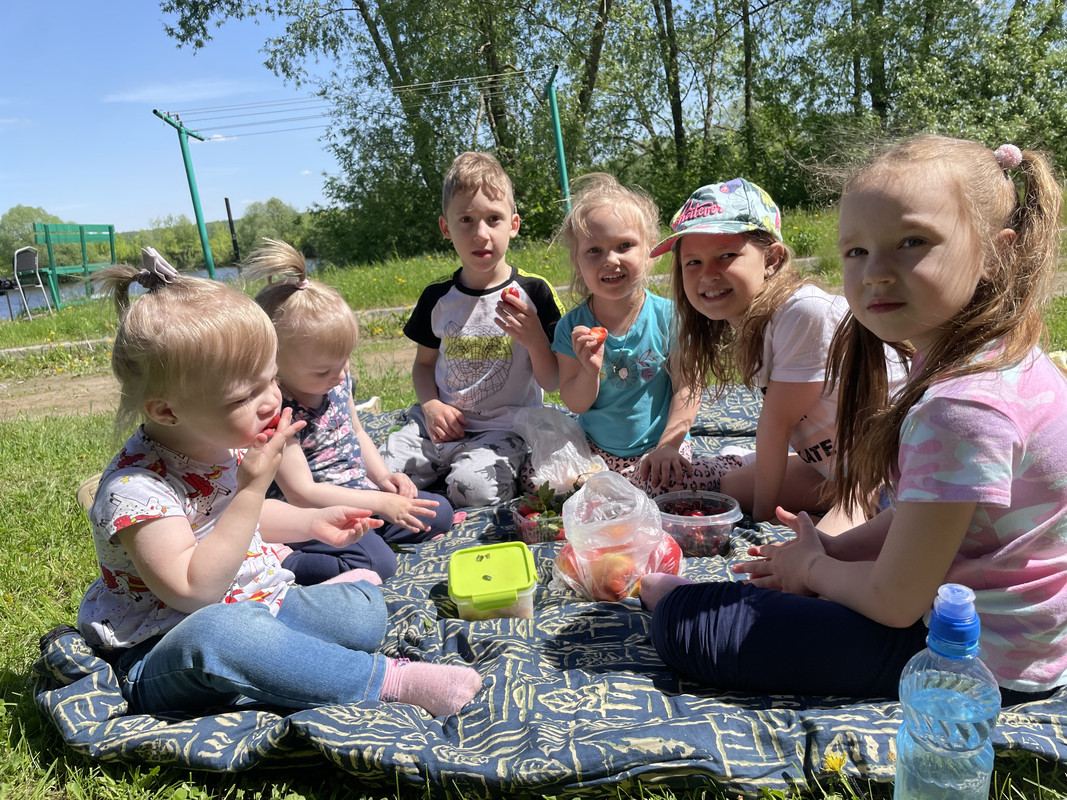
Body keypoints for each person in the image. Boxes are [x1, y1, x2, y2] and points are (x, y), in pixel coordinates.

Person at [642, 136, 1067, 705]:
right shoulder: (999, 358)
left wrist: (814, 571)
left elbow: (895, 601)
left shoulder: (960, 409)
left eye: (912, 242)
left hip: (973, 658)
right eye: (856, 251)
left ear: (996, 253)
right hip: (1016, 634)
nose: (876, 273)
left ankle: (684, 606)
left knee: (694, 626)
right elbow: (928, 517)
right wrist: (833, 552)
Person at [76, 250, 482, 718]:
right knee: (227, 634)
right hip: (169, 647)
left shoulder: (218, 443)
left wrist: (313, 522)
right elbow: (192, 590)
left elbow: (241, 519)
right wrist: (252, 487)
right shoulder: (136, 490)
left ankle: (298, 647)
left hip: (256, 601)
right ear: (167, 411)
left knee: (362, 617)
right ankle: (387, 681)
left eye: (271, 380)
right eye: (245, 395)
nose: (271, 401)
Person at [658, 177, 889, 531]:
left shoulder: (802, 312)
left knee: (822, 554)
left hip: (881, 472)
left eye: (726, 256)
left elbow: (776, 425)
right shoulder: (754, 324)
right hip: (833, 470)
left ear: (772, 258)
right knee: (730, 489)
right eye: (693, 262)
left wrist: (763, 519)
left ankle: (865, 522)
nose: (708, 274)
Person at [247, 238, 455, 585]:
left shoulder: (337, 384)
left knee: (439, 513)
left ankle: (371, 531)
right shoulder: (278, 412)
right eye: (323, 371)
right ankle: (285, 558)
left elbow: (356, 432)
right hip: (314, 513)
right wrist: (379, 503)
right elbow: (302, 492)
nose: (340, 375)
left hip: (358, 491)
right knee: (378, 563)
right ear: (274, 365)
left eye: (344, 361)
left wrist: (384, 480)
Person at [381, 151, 564, 507]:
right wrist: (431, 405)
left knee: (474, 490)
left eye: (493, 219)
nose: (481, 234)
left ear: (513, 224)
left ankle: (452, 480)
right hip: (435, 426)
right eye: (466, 219)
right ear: (446, 228)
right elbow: (423, 365)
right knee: (380, 476)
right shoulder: (437, 297)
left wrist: (535, 341)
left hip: (503, 429)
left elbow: (552, 381)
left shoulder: (535, 293)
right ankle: (426, 484)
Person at [552, 173, 738, 496]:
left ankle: (732, 464)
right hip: (597, 451)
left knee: (665, 486)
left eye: (624, 245)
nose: (611, 259)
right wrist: (589, 371)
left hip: (659, 449)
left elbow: (689, 386)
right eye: (594, 250)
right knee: (542, 479)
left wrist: (668, 445)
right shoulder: (571, 328)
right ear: (577, 262)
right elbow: (576, 404)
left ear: (650, 250)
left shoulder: (670, 317)